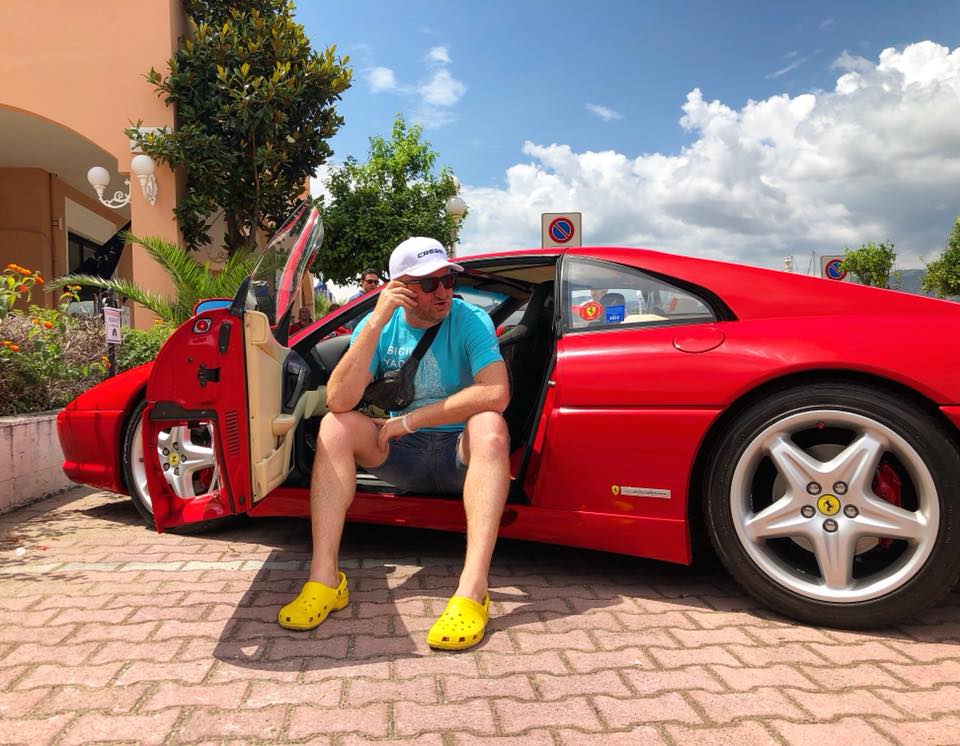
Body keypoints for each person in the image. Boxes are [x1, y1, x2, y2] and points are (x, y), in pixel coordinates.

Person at [278, 237, 510, 651]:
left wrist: (409, 420)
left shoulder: (469, 319)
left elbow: (496, 392)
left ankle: (473, 590)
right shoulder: (380, 326)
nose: (443, 291)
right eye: (428, 283)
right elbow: (339, 400)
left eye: (447, 280)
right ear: (399, 288)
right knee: (335, 425)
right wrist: (374, 322)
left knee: (490, 425)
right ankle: (325, 579)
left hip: (458, 452)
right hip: (401, 455)